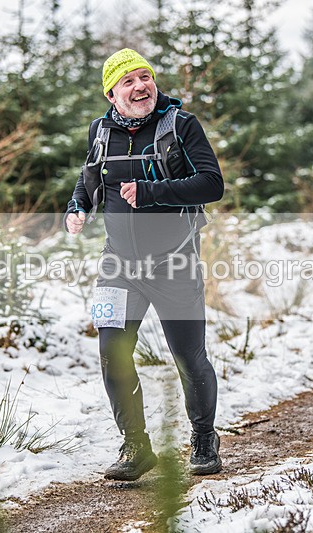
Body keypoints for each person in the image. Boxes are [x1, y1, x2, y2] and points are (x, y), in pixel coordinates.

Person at [64, 48, 224, 481]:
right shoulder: (100, 132)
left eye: (145, 77)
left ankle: (205, 438)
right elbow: (90, 177)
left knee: (189, 356)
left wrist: (152, 191)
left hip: (175, 264)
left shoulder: (181, 125)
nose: (140, 86)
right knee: (111, 354)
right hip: (117, 267)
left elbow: (213, 184)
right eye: (128, 81)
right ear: (112, 94)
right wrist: (78, 205)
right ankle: (136, 446)